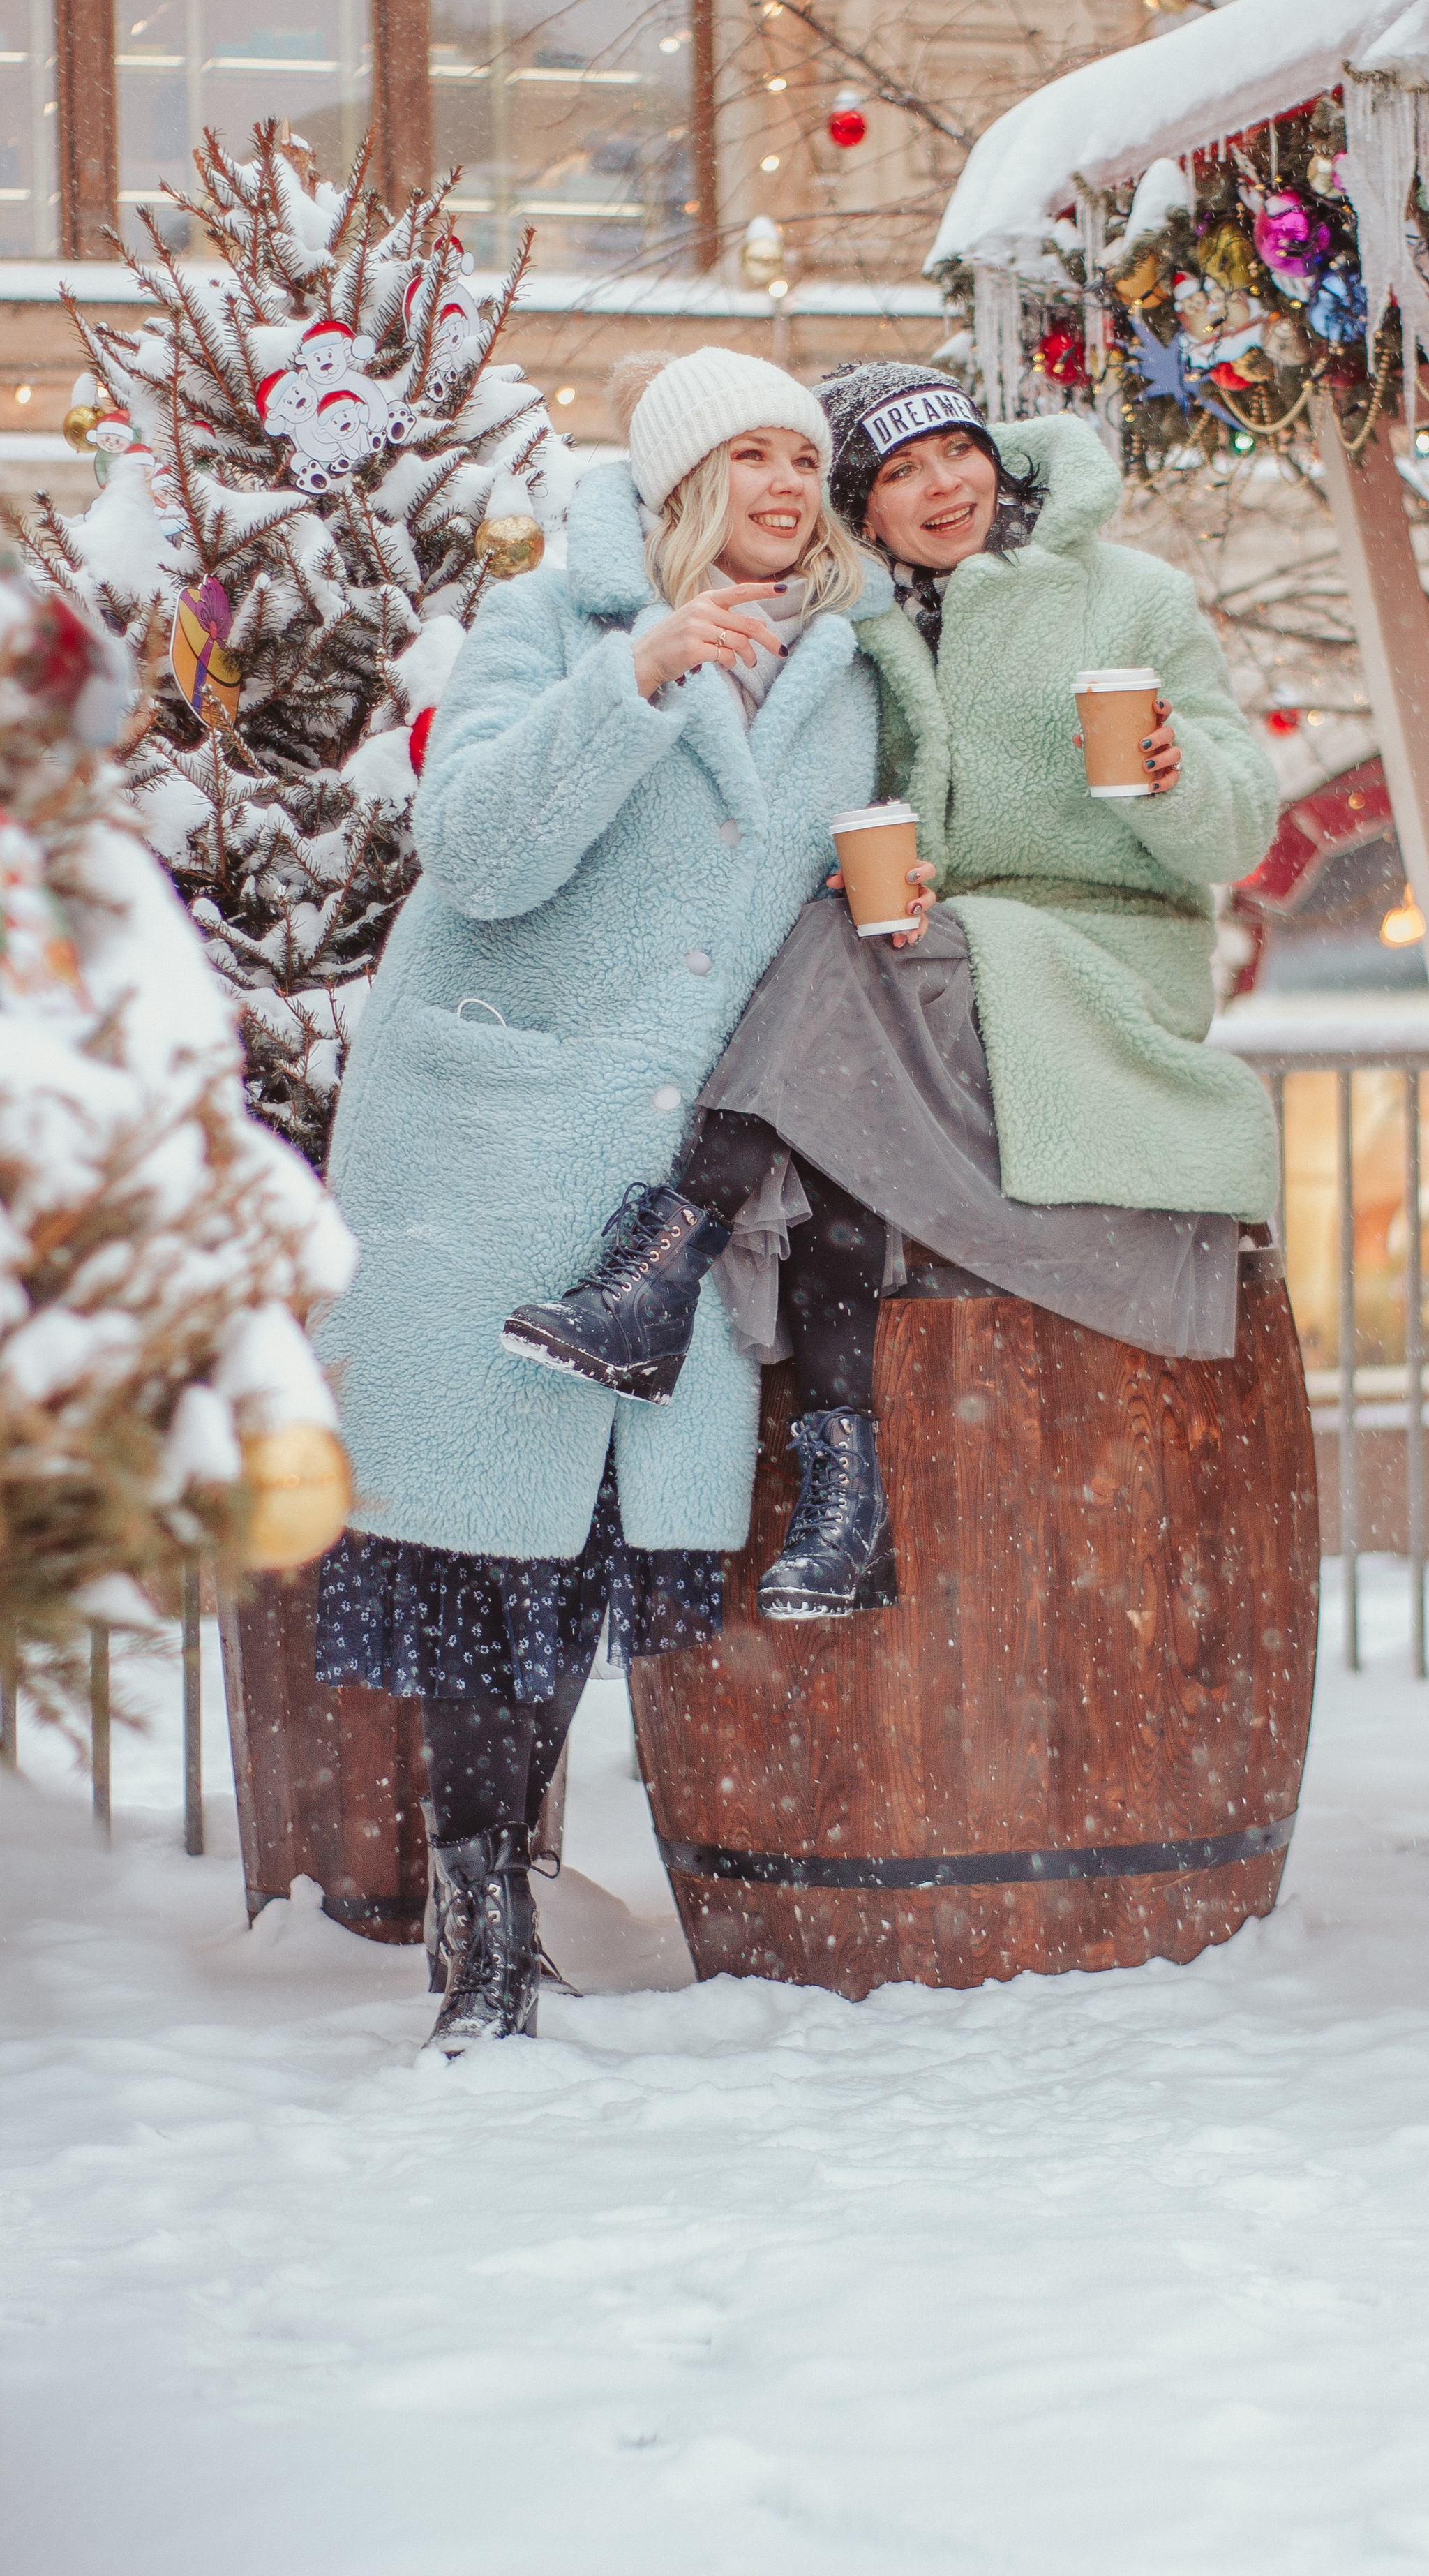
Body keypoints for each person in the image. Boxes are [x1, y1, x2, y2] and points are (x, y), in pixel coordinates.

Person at [311, 345, 888, 2050]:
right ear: (675, 483)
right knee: (495, 1546)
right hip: (500, 1143)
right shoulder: (554, 623)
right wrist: (633, 676)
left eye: (803, 457)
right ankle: (478, 1925)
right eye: (750, 457)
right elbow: (476, 848)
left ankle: (515, 1899)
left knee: (590, 1543)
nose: (786, 484)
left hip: (672, 1186)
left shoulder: (841, 667)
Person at [507, 361, 1280, 1623]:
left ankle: (669, 1248)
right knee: (840, 1024)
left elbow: (1237, 834)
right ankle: (841, 1500)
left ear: (994, 455)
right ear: (861, 511)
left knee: (844, 986)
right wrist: (896, 878)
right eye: (900, 473)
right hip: (925, 960)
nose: (943, 487)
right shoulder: (855, 628)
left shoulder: (1129, 597)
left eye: (958, 453)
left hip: (1099, 964)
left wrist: (1169, 772)